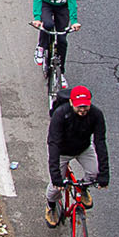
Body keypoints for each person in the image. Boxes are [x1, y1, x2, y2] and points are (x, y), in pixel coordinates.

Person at [45, 85, 107, 225]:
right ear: (71, 103)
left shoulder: (96, 114)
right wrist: (56, 177)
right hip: (62, 151)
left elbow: (100, 143)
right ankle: (51, 206)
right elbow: (53, 144)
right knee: (55, 189)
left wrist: (104, 174)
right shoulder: (60, 114)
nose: (82, 110)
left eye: (85, 106)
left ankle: (82, 187)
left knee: (94, 173)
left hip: (83, 148)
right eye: (79, 107)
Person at [32, 0, 78, 72]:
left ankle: (61, 71)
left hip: (62, 6)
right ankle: (41, 46)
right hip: (46, 4)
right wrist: (37, 17)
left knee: (62, 40)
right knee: (47, 25)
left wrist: (74, 21)